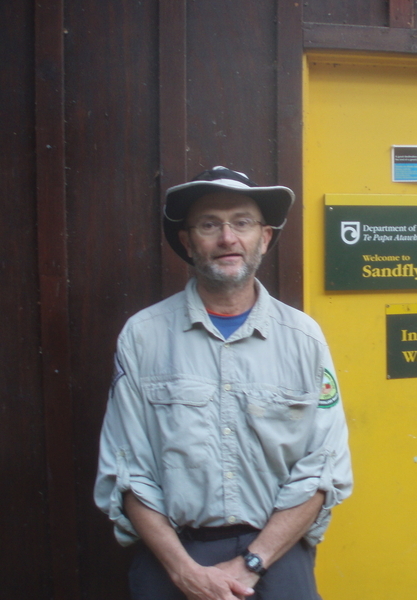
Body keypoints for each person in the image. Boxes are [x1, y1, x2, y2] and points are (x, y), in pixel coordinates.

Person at [94, 166, 353, 600]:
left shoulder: (303, 339)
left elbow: (323, 467)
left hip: (277, 558)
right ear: (187, 241)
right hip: (172, 560)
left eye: (242, 222)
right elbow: (127, 472)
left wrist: (252, 562)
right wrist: (185, 572)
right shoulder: (143, 336)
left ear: (264, 238)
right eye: (210, 224)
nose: (227, 238)